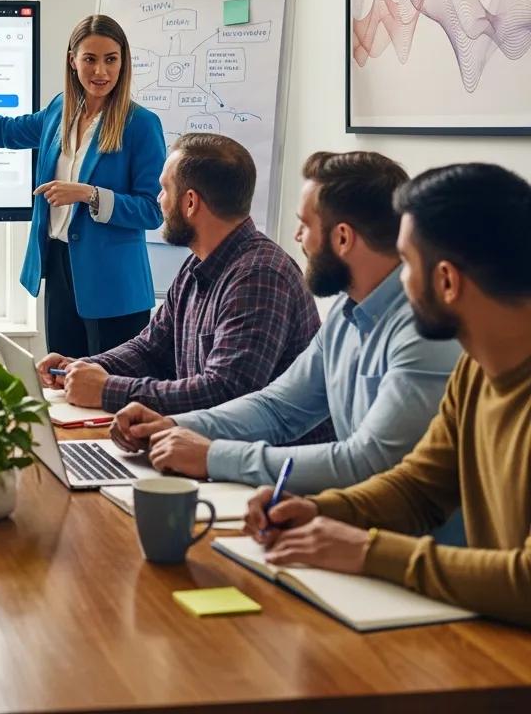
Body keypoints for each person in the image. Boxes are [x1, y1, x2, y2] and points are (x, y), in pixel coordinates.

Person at [243, 163, 531, 627]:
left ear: (447, 281)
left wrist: (367, 550)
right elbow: (417, 489)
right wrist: (317, 509)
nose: (399, 283)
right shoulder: (474, 372)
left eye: (407, 264)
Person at [111, 151, 461, 493]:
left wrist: (214, 456)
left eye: (305, 224)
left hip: (408, 543)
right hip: (344, 522)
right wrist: (172, 425)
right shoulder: (346, 312)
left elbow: (369, 462)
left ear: (342, 238)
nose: (296, 237)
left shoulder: (424, 331)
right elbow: (277, 408)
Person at [0, 15, 165, 355]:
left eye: (110, 60)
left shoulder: (141, 124)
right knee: (62, 384)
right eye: (90, 59)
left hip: (114, 284)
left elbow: (153, 210)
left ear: (123, 62)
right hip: (59, 268)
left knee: (108, 391)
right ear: (73, 60)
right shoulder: (61, 109)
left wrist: (89, 194)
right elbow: (7, 132)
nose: (101, 71)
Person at [37, 133, 325, 421]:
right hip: (210, 447)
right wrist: (81, 368)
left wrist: (106, 389)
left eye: (164, 189)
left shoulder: (260, 278)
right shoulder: (197, 265)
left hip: (269, 461)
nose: (159, 200)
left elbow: (225, 393)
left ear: (190, 203)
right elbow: (151, 350)